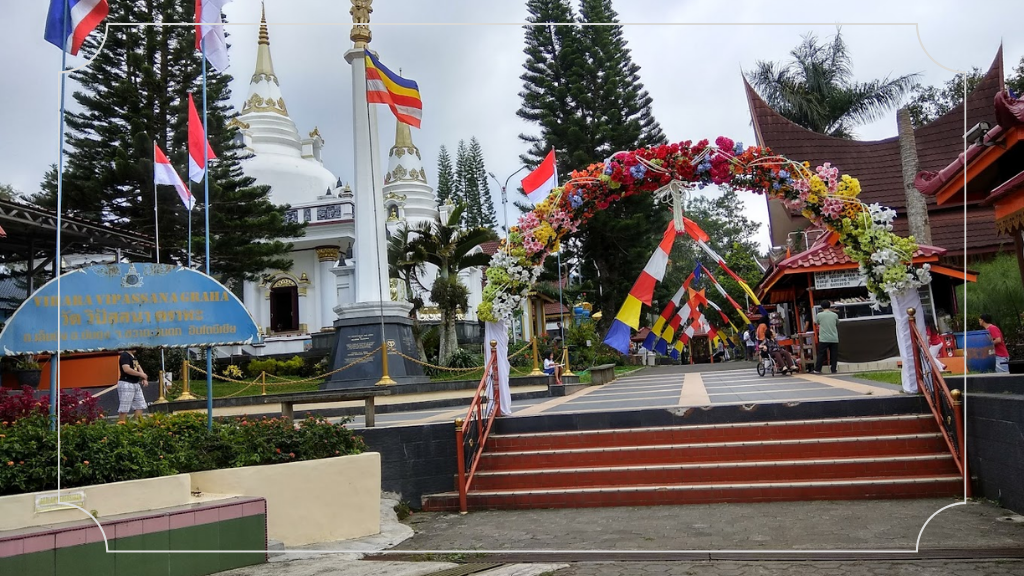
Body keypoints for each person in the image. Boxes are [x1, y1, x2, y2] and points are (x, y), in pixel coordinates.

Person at [117, 348, 148, 422]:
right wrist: (141, 374)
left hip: (135, 383)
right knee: (124, 407)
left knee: (140, 405)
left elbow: (138, 367)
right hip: (126, 383)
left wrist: (144, 377)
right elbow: (126, 369)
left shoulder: (133, 357)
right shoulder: (125, 355)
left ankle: (137, 425)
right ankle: (122, 426)